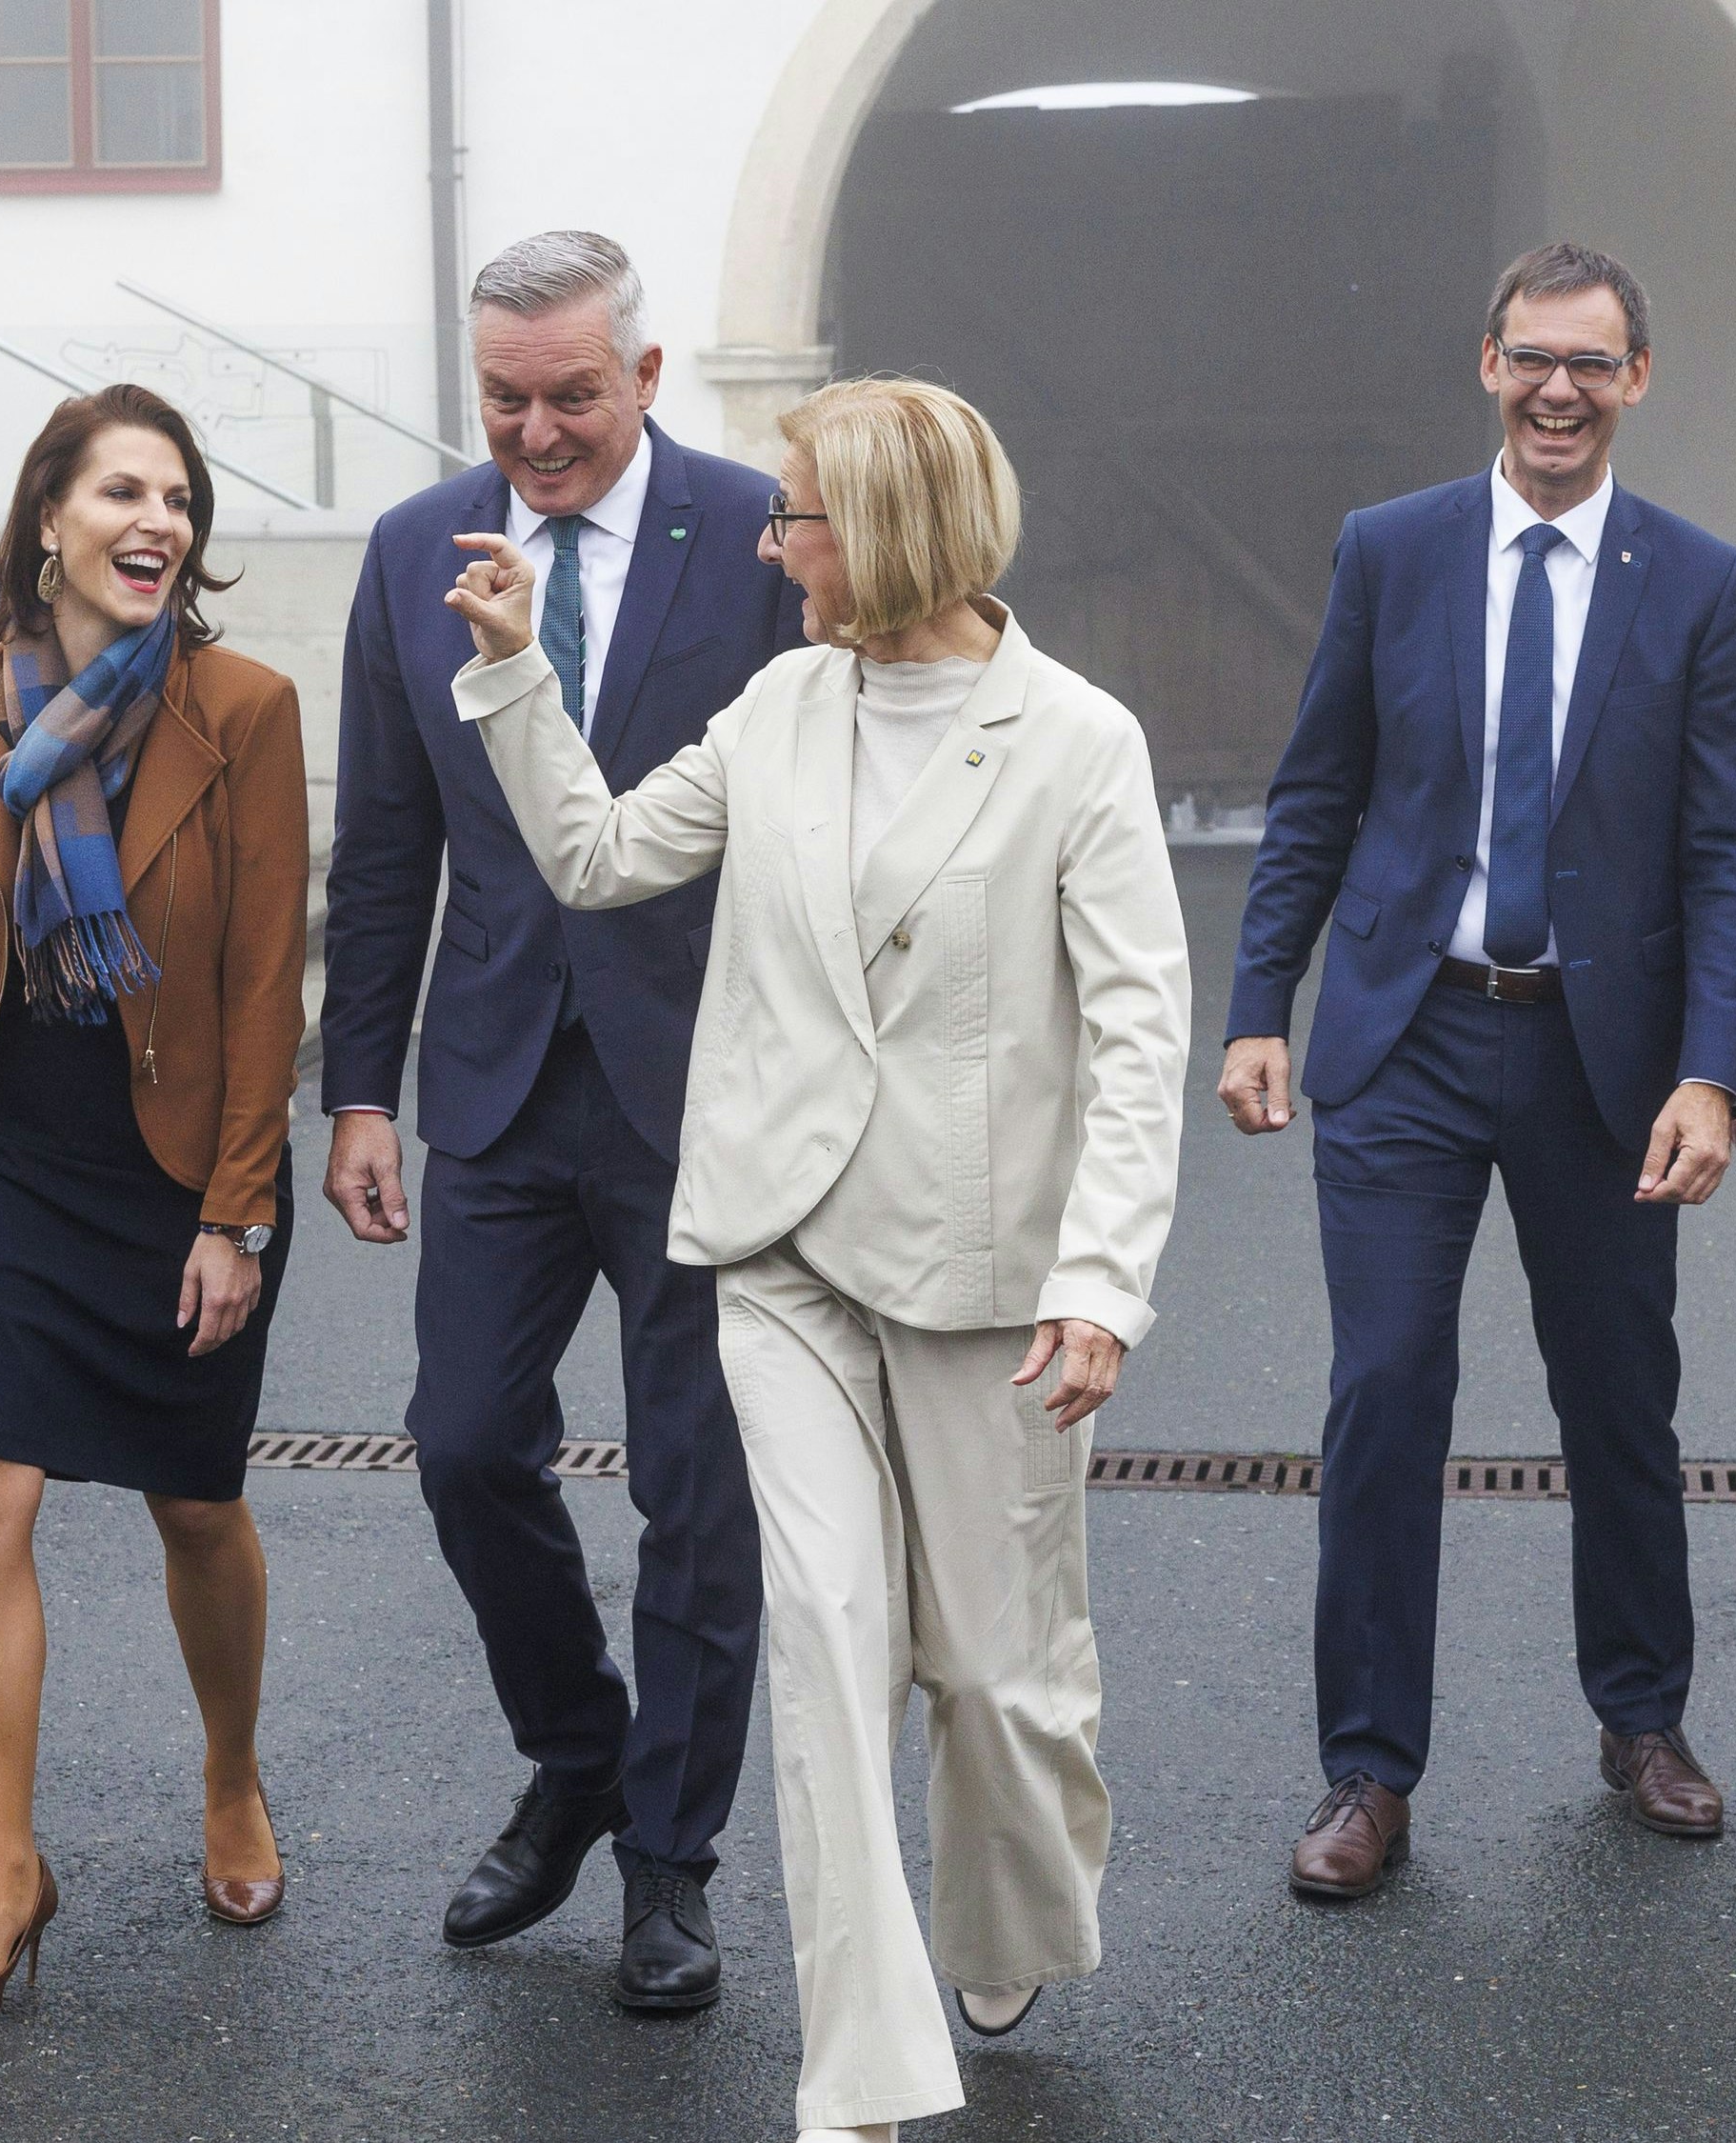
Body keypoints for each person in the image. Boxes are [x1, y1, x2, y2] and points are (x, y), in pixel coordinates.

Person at [445, 376, 1187, 2143]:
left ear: (895, 531)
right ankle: (861, 2073)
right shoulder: (780, 704)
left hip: (991, 1268)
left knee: (997, 1679)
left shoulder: (1080, 739)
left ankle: (1007, 1912)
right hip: (778, 1245)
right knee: (832, 1637)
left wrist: (1102, 1280)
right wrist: (513, 669)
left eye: (801, 521)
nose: (778, 551)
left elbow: (1146, 1030)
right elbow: (600, 852)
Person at [1226, 241, 1736, 1887]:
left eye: (1591, 365)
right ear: (1486, 363)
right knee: (1387, 1387)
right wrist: (1261, 1002)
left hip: (1610, 1061)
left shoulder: (1699, 578)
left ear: (1636, 382)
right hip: (1409, 1032)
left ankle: (1642, 1715)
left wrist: (1715, 1073)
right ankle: (1369, 1770)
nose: (1558, 391)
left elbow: (1734, 853)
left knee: (1620, 1397)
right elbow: (1317, 789)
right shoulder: (1393, 551)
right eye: (1533, 358)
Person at [321, 230, 805, 2010]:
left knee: (699, 1494)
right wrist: (359, 1088)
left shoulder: (762, 535)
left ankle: (669, 1865)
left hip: (713, 1093)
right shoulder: (407, 549)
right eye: (505, 399)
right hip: (502, 1087)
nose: (536, 435)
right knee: (460, 1440)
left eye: (573, 398)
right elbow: (384, 847)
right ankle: (580, 1746)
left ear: (650, 378)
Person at [0, 384, 309, 2018]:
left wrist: (240, 1212)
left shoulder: (247, 707)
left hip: (173, 1166)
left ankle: (227, 1771)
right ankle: (4, 1870)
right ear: (49, 517)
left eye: (182, 500)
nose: (159, 523)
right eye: (124, 492)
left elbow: (270, 979)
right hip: (5, 1145)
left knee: (195, 1503)